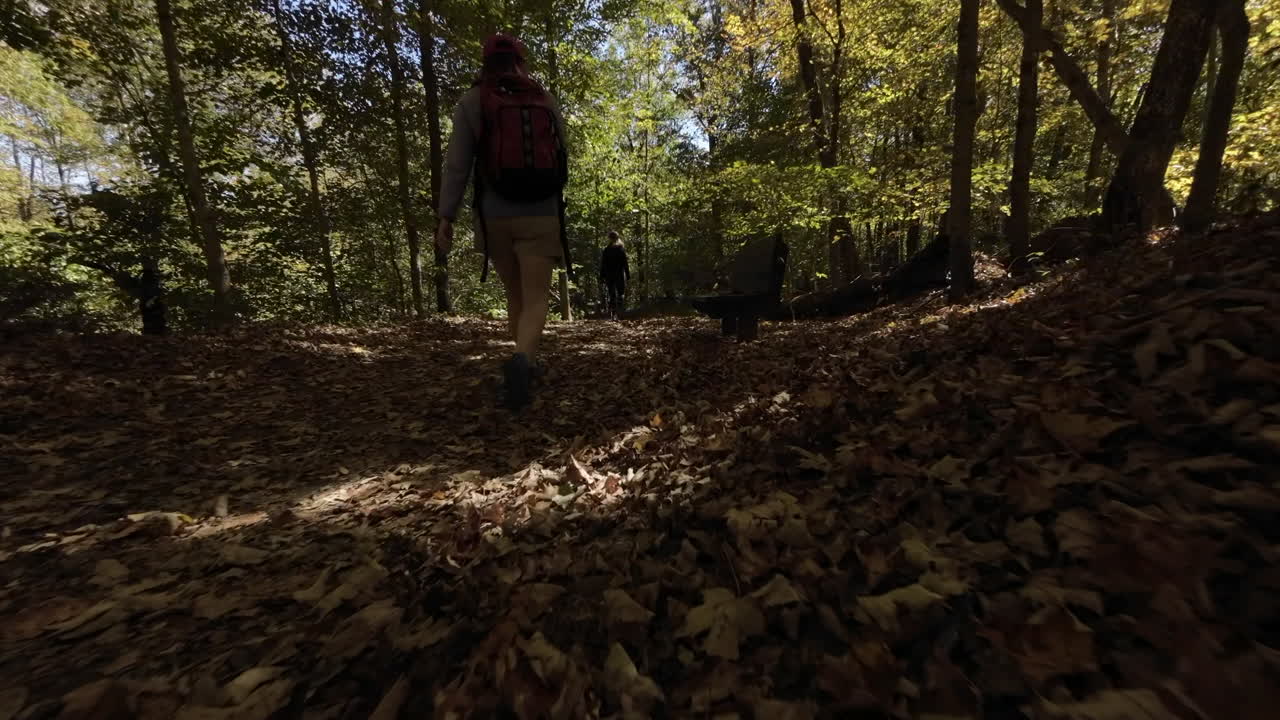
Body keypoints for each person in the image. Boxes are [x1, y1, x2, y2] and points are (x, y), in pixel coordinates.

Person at [435, 33, 569, 410]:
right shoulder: (543, 98)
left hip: (495, 214)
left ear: (485, 62)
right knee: (538, 296)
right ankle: (524, 361)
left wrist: (447, 215)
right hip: (541, 211)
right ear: (520, 61)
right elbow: (562, 150)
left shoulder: (473, 101)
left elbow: (457, 165)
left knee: (516, 294)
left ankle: (525, 360)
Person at [599, 231, 630, 319]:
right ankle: (620, 312)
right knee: (620, 293)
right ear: (617, 238)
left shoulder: (606, 250)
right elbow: (625, 263)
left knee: (611, 294)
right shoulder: (620, 249)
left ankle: (613, 313)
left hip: (609, 275)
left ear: (609, 239)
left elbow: (603, 264)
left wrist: (601, 276)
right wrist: (627, 275)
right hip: (619, 274)